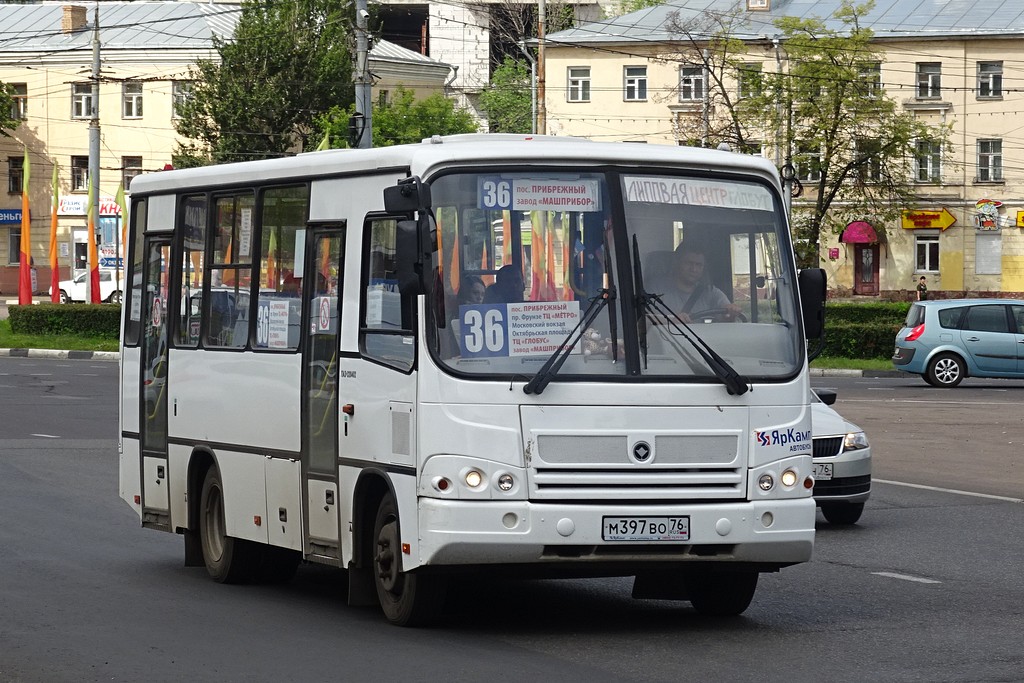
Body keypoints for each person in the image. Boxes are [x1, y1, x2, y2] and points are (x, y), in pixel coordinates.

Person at [658, 243, 741, 323]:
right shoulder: (657, 290)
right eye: (688, 263)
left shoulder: (711, 293)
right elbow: (646, 319)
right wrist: (671, 320)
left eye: (698, 265)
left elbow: (727, 316)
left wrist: (730, 313)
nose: (694, 269)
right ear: (677, 262)